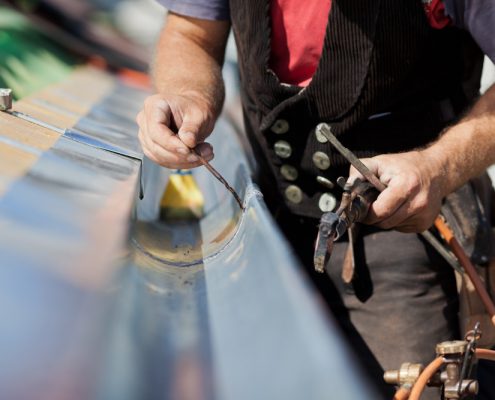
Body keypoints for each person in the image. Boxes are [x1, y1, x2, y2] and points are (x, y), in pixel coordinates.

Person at [137, 1, 495, 398]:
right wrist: (188, 94)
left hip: (409, 235)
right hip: (266, 229)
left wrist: (438, 166)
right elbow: (191, 33)